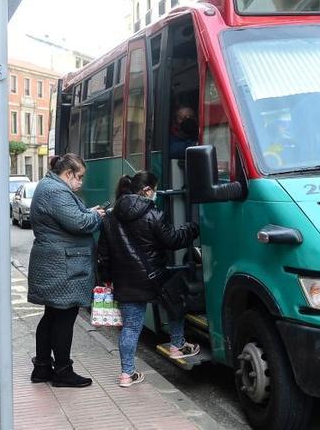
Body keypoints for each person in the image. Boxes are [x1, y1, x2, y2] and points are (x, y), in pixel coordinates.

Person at [97, 171, 201, 388]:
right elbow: (172, 240)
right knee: (176, 299)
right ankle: (177, 344)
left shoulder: (111, 216)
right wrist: (191, 228)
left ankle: (127, 374)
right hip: (154, 277)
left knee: (131, 327)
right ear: (146, 190)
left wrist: (107, 279)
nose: (155, 194)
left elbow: (103, 253)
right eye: (154, 189)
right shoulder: (153, 214)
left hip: (125, 280)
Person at [27, 153, 106, 388]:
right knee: (64, 317)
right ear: (68, 173)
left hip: (57, 265)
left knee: (51, 316)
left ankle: (42, 367)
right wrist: (95, 215)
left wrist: (87, 211)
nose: (81, 182)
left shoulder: (50, 187)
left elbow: (69, 217)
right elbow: (79, 223)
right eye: (79, 177)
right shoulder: (56, 191)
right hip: (62, 267)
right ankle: (62, 370)